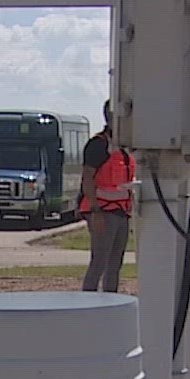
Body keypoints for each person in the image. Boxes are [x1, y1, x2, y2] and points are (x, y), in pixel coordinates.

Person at [80, 111, 135, 293]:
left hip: (121, 212)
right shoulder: (98, 145)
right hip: (102, 211)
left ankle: (110, 301)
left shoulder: (124, 147)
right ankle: (88, 302)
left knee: (115, 264)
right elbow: (87, 178)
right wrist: (95, 212)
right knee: (99, 262)